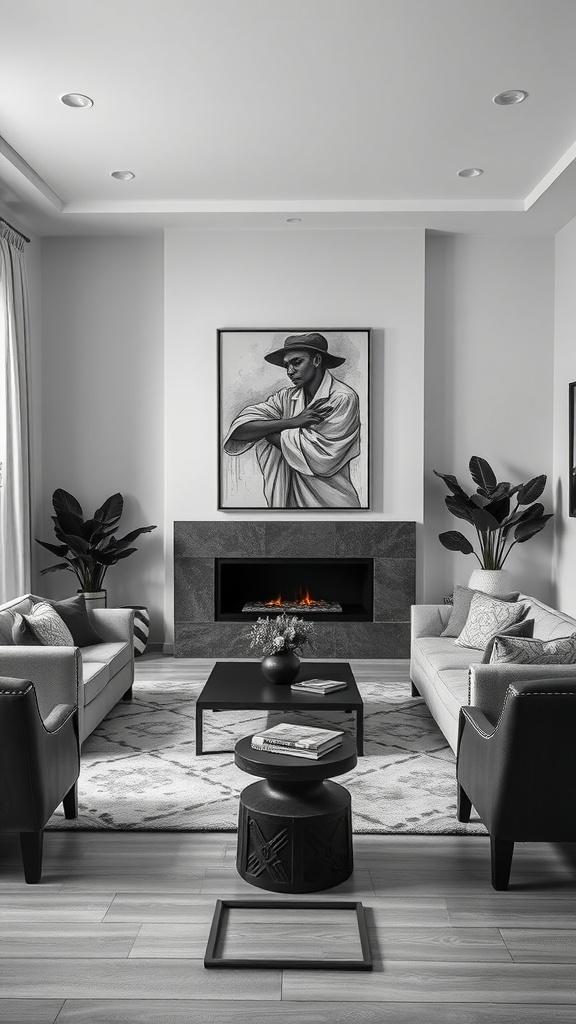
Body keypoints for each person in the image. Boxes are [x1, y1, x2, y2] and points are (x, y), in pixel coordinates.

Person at [223, 333, 362, 507]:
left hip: (333, 505)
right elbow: (240, 431)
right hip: (289, 509)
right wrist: (292, 422)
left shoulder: (342, 398)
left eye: (296, 362)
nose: (289, 371)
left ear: (317, 360)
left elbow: (322, 461)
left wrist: (267, 430)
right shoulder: (285, 398)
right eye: (286, 365)